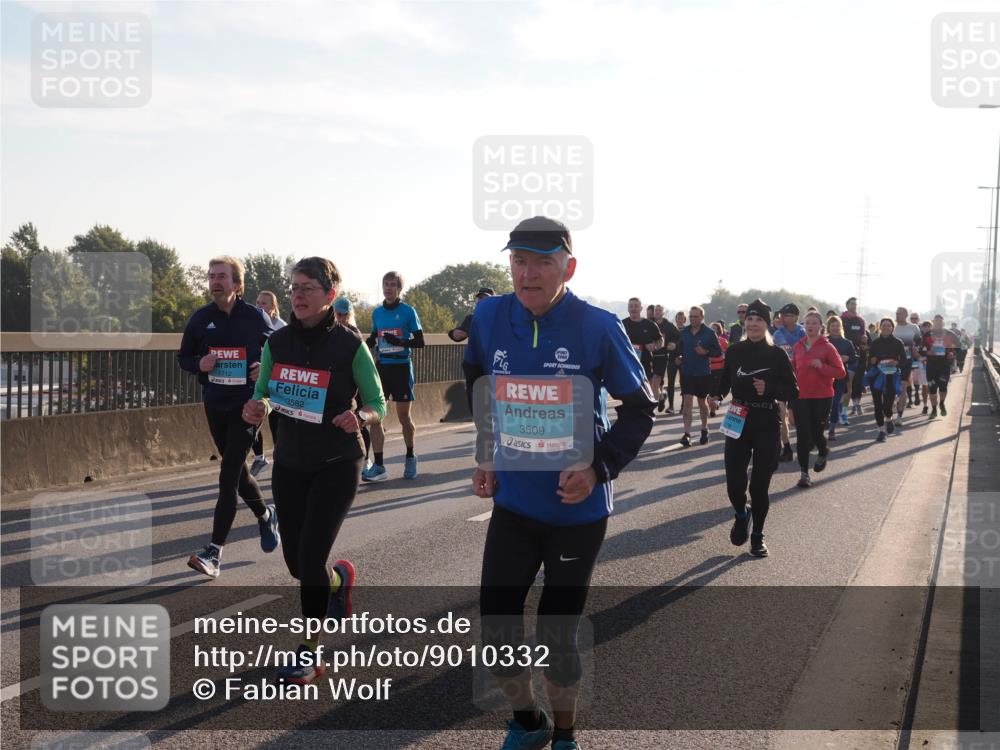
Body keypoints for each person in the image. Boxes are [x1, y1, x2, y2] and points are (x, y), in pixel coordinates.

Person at [462, 216, 655, 750]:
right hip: (515, 505)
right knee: (497, 632)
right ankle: (528, 722)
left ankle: (567, 733)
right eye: (519, 261)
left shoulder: (597, 327)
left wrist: (598, 469)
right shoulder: (489, 315)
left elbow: (641, 410)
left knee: (557, 637)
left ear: (567, 267)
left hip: (578, 513)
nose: (529, 274)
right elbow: (477, 376)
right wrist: (486, 454)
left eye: (543, 262)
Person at [243, 257, 386, 684]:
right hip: (291, 461)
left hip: (338, 461)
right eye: (294, 287)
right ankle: (337, 585)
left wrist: (359, 417)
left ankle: (309, 652)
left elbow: (377, 403)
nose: (298, 295)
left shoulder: (349, 344)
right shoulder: (278, 342)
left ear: (330, 295)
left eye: (307, 288)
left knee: (310, 558)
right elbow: (264, 393)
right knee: (296, 563)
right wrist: (258, 406)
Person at [178, 256, 280, 578]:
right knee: (237, 473)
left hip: (247, 407)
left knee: (227, 475)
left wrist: (263, 369)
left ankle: (214, 552)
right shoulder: (200, 319)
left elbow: (283, 351)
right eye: (211, 276)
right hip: (215, 404)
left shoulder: (256, 317)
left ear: (237, 284)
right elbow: (184, 357)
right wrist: (199, 365)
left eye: (222, 276)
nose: (215, 281)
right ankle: (266, 515)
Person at [709, 299, 797, 558]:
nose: (754, 324)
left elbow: (793, 390)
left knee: (759, 486)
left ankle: (757, 535)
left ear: (767, 324)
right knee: (734, 482)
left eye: (759, 320)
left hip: (767, 421)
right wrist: (716, 395)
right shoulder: (735, 351)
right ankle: (741, 513)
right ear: (744, 323)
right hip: (738, 416)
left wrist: (769, 390)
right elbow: (726, 378)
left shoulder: (777, 354)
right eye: (750, 319)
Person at [363, 271, 424, 481]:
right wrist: (364, 345)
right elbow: (373, 337)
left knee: (403, 417)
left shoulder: (408, 311)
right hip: (382, 369)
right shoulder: (377, 313)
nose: (388, 288)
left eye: (392, 285)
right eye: (385, 284)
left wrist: (399, 343)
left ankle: (410, 456)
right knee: (376, 416)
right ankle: (379, 465)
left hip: (402, 368)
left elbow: (420, 342)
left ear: (399, 289)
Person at [790, 312, 845, 487]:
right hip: (800, 397)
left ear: (821, 326)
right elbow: (792, 372)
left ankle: (823, 450)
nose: (810, 325)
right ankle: (804, 474)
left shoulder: (828, 347)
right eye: (807, 323)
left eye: (814, 323)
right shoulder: (798, 346)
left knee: (816, 432)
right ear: (804, 326)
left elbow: (840, 372)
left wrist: (822, 367)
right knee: (803, 435)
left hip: (822, 397)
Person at [250, 291, 287, 476]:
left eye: (263, 303)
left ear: (273, 306)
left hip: (278, 384)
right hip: (260, 381)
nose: (259, 306)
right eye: (257, 302)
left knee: (276, 425)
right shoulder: (254, 324)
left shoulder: (281, 327)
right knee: (253, 419)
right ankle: (259, 458)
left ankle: (282, 461)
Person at [334, 296, 374, 471]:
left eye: (342, 314)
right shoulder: (329, 332)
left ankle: (365, 458)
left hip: (355, 383)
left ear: (348, 315)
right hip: (339, 383)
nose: (338, 317)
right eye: (336, 313)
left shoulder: (354, 335)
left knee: (358, 419)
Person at [678, 305, 722, 447]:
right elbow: (680, 350)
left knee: (702, 403)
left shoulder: (709, 333)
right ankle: (687, 433)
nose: (692, 319)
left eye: (695, 316)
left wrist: (705, 352)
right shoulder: (684, 332)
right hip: (686, 372)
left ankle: (704, 428)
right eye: (690, 316)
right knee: (687, 402)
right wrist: (677, 357)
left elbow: (718, 352)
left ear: (702, 317)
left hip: (703, 373)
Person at [771, 303, 806, 462]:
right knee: (781, 413)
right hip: (780, 378)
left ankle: (806, 439)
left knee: (794, 418)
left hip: (800, 378)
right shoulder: (778, 333)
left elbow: (797, 347)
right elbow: (783, 348)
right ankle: (786, 447)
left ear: (796, 317)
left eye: (789, 316)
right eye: (783, 316)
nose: (785, 318)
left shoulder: (803, 331)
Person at [865, 318, 907, 442]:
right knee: (878, 404)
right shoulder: (875, 343)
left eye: (889, 325)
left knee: (887, 405)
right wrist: (873, 362)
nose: (886, 327)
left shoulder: (898, 342)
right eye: (884, 325)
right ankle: (881, 431)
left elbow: (904, 360)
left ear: (892, 328)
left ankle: (888, 419)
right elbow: (870, 360)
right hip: (877, 375)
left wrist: (896, 363)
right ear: (880, 327)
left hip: (891, 376)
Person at [920, 315, 959, 419]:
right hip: (931, 366)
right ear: (933, 323)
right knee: (932, 389)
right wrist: (928, 352)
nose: (938, 323)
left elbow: (961, 345)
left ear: (943, 323)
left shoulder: (950, 334)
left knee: (943, 387)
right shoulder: (927, 335)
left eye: (940, 321)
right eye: (936, 321)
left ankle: (941, 403)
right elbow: (920, 350)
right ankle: (933, 410)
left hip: (944, 366)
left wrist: (953, 354)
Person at [824, 316, 856, 442]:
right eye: (832, 326)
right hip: (825, 377)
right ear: (829, 328)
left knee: (836, 403)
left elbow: (854, 357)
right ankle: (823, 425)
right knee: (826, 404)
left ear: (841, 327)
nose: (835, 328)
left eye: (837, 326)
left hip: (840, 377)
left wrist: (847, 358)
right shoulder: (824, 341)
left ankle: (831, 430)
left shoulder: (847, 343)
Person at [621, 297, 664, 385]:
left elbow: (661, 340)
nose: (633, 308)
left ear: (641, 308)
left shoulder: (650, 325)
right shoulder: (622, 324)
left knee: (645, 393)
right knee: (629, 394)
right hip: (627, 364)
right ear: (628, 308)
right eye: (631, 306)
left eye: (636, 306)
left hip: (644, 365)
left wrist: (655, 347)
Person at [891, 307, 921, 426]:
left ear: (905, 315)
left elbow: (919, 341)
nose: (897, 315)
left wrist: (915, 350)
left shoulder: (913, 327)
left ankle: (899, 416)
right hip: (892, 362)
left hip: (907, 361)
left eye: (900, 314)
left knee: (903, 387)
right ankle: (890, 410)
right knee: (891, 388)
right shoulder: (892, 326)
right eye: (896, 313)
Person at [650, 304, 680, 413]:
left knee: (655, 383)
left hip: (662, 357)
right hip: (649, 357)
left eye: (659, 310)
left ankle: (651, 410)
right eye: (656, 310)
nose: (657, 312)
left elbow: (679, 338)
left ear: (663, 313)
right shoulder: (649, 323)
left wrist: (674, 344)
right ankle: (662, 396)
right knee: (651, 384)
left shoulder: (669, 325)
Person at [841, 297, 868, 415]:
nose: (854, 306)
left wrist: (864, 341)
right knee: (844, 381)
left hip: (858, 354)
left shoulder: (860, 320)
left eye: (855, 304)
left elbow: (863, 336)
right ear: (847, 305)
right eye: (852, 304)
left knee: (858, 380)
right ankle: (842, 407)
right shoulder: (842, 319)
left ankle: (857, 404)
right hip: (843, 354)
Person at [665, 310, 687, 415]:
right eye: (678, 318)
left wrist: (680, 355)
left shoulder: (688, 331)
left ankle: (683, 406)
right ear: (676, 319)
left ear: (684, 320)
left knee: (683, 383)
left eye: (681, 318)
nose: (679, 320)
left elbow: (688, 346)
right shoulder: (671, 330)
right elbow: (666, 343)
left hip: (683, 360)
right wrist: (669, 347)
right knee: (670, 383)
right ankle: (671, 406)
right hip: (672, 359)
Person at [708, 321, 729, 417]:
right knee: (710, 391)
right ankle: (713, 406)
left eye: (715, 329)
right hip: (708, 368)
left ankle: (713, 408)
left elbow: (726, 355)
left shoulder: (723, 341)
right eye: (711, 328)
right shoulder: (705, 341)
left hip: (720, 368)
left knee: (717, 390)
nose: (713, 330)